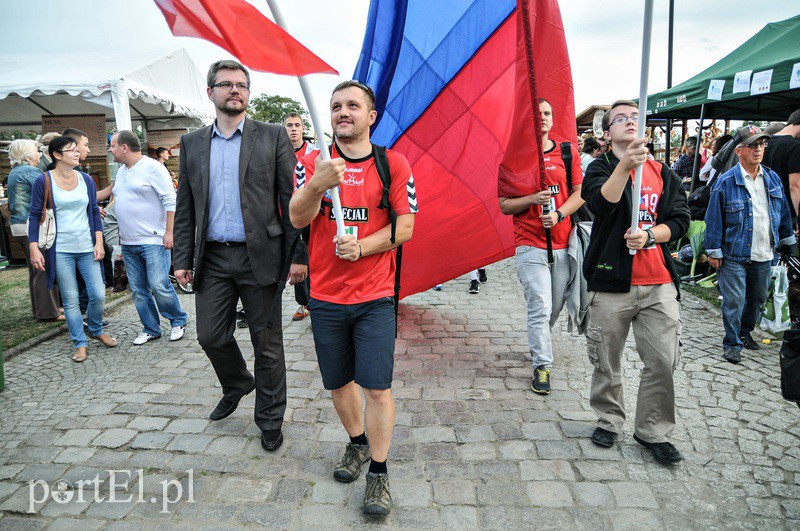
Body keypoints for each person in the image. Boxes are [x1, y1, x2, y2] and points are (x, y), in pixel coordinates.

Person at [289, 80, 416, 516]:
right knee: (338, 383)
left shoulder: (392, 164)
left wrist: (362, 246)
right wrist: (316, 186)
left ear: (371, 116)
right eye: (336, 106)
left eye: (353, 106)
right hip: (325, 297)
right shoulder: (314, 163)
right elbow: (296, 217)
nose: (344, 112)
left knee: (376, 387)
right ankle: (357, 445)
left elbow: (406, 228)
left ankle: (379, 473)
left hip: (375, 296)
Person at [173, 60, 307, 452]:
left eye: (242, 85)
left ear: (248, 93)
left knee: (267, 344)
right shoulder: (192, 142)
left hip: (261, 256)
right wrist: (182, 256)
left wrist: (298, 255)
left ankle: (268, 419)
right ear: (210, 92)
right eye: (226, 84)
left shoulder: (273, 137)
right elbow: (186, 205)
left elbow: (292, 201)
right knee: (210, 335)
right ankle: (237, 383)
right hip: (212, 258)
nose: (235, 90)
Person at [581, 100, 689, 465]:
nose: (630, 122)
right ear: (607, 132)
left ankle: (652, 431)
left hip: (658, 281)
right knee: (607, 360)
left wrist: (651, 235)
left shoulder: (664, 172)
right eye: (621, 119)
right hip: (611, 280)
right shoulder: (601, 166)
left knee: (662, 360)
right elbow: (599, 205)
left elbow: (679, 220)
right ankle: (609, 420)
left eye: (635, 118)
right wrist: (625, 168)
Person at [498, 98, 585, 395]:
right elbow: (504, 205)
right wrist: (532, 200)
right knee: (540, 304)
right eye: (537, 114)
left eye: (548, 113)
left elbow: (579, 194)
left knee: (555, 306)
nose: (543, 118)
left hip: (563, 243)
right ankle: (542, 365)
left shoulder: (566, 152)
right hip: (529, 243)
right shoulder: (515, 157)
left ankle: (539, 342)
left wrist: (560, 213)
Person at [705, 126, 795, 364]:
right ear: (739, 151)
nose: (758, 149)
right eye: (753, 145)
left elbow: (783, 211)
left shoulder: (772, 178)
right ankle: (732, 342)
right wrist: (713, 250)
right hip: (734, 253)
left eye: (762, 145)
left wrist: (786, 241)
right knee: (734, 301)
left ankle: (745, 333)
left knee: (755, 300)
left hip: (764, 252)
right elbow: (713, 218)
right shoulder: (725, 182)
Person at [27, 135, 117, 362]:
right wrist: (34, 248)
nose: (78, 153)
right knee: (70, 298)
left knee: (97, 294)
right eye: (72, 150)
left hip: (87, 246)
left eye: (78, 150)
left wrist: (98, 241)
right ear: (57, 155)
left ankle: (96, 329)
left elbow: (94, 211)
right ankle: (80, 342)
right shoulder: (44, 180)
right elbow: (34, 215)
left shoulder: (85, 179)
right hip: (61, 250)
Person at [108, 130, 188, 345]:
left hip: (153, 240)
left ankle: (178, 320)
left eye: (113, 146)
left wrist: (169, 233)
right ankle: (151, 328)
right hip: (128, 241)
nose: (110, 150)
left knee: (159, 284)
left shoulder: (153, 167)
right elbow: (118, 197)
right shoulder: (121, 171)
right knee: (138, 290)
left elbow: (170, 201)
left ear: (124, 147)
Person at [6, 139, 62, 321]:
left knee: (35, 270)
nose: (39, 154)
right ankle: (48, 312)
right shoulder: (31, 172)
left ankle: (41, 309)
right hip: (33, 225)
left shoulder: (15, 172)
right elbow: (50, 194)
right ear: (28, 154)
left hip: (18, 225)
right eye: (36, 151)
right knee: (43, 268)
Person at [284, 112, 314, 322]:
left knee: (313, 258)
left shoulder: (314, 152)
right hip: (288, 213)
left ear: (303, 128)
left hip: (311, 212)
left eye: (297, 125)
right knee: (295, 257)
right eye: (289, 125)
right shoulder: (279, 152)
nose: (293, 129)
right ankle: (304, 304)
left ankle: (316, 306)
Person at [763, 109, 800, 223]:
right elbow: (795, 186)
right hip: (787, 213)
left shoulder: (763, 143)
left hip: (765, 209)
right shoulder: (795, 146)